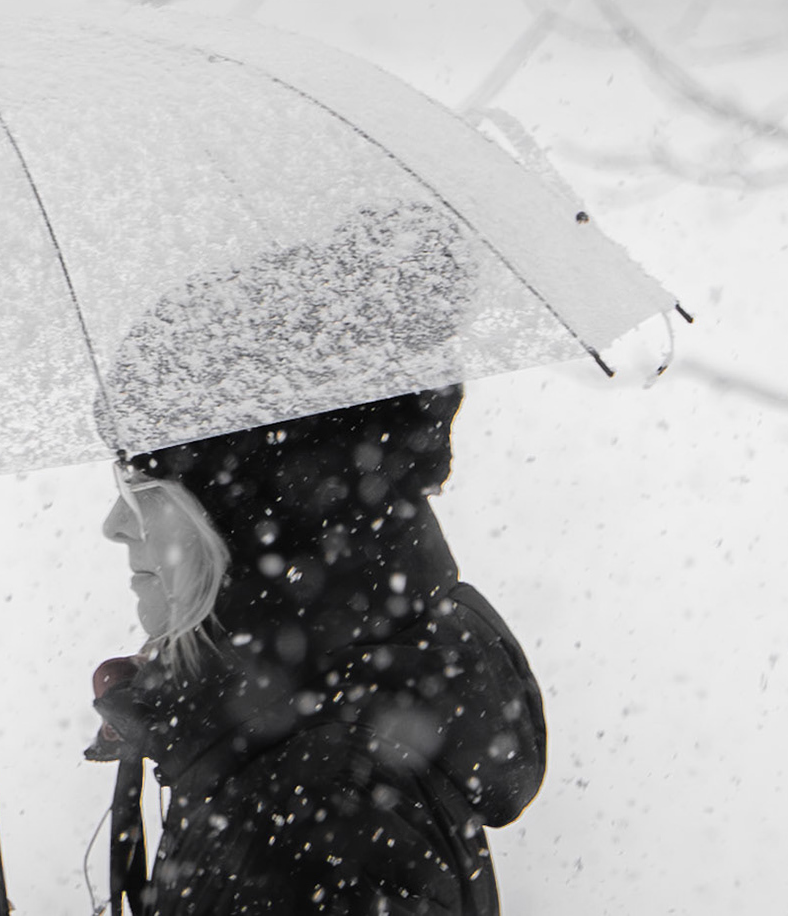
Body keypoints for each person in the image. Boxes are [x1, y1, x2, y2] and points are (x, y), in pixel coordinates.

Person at [87, 386, 546, 916]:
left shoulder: (302, 815)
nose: (113, 526)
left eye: (140, 485)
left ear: (252, 519)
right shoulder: (302, 757)